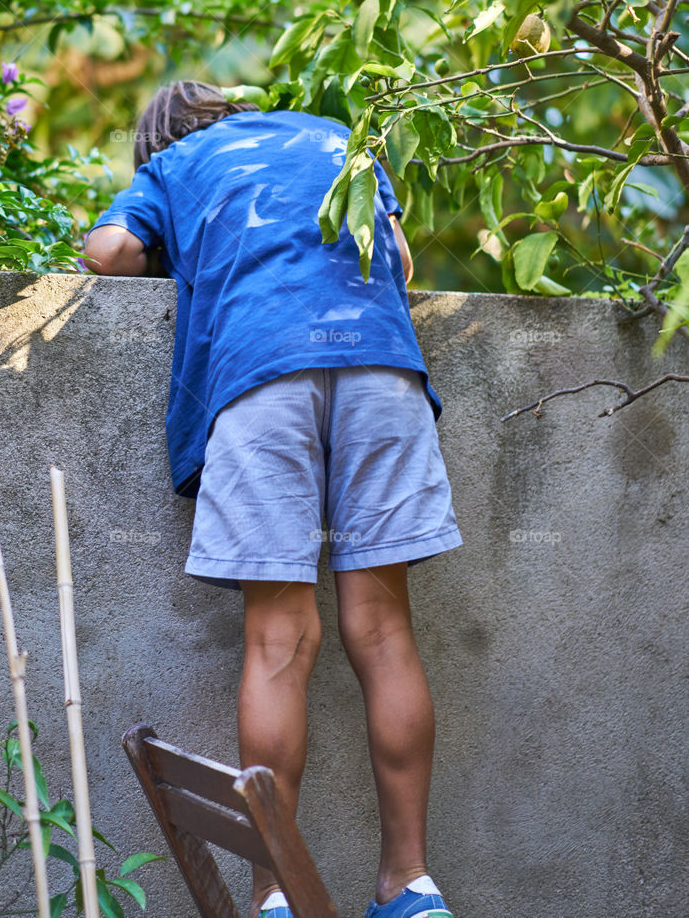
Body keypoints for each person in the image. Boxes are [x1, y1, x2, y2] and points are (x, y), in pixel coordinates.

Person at [84, 81, 461, 918]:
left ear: (159, 137)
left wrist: (184, 251)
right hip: (382, 369)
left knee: (279, 639)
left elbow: (109, 253)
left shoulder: (175, 163)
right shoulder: (334, 134)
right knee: (385, 632)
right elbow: (396, 260)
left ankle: (274, 898)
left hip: (262, 377)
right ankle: (410, 885)